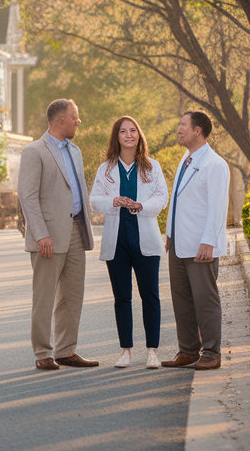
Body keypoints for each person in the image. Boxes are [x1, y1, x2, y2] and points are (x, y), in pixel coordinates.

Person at [17, 98, 98, 371]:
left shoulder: (74, 150)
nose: (78, 121)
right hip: (48, 235)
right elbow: (28, 197)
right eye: (75, 116)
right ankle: (43, 353)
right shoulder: (34, 151)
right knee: (45, 296)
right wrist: (41, 235)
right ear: (60, 119)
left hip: (76, 229)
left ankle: (66, 350)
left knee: (73, 295)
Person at [89, 117, 169, 369]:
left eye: (133, 130)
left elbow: (162, 197)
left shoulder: (152, 166)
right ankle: (126, 350)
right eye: (123, 131)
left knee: (150, 296)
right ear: (117, 137)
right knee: (122, 297)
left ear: (139, 135)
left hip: (144, 239)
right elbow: (94, 199)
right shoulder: (106, 168)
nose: (128, 135)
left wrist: (142, 206)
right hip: (117, 240)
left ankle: (152, 351)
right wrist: (112, 201)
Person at [163, 111, 230, 371]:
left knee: (205, 300)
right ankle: (188, 350)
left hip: (202, 246)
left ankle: (212, 353)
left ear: (198, 130)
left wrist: (209, 242)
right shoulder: (186, 159)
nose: (178, 128)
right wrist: (170, 232)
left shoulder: (215, 164)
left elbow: (217, 207)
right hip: (179, 243)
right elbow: (178, 200)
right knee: (182, 302)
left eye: (183, 124)